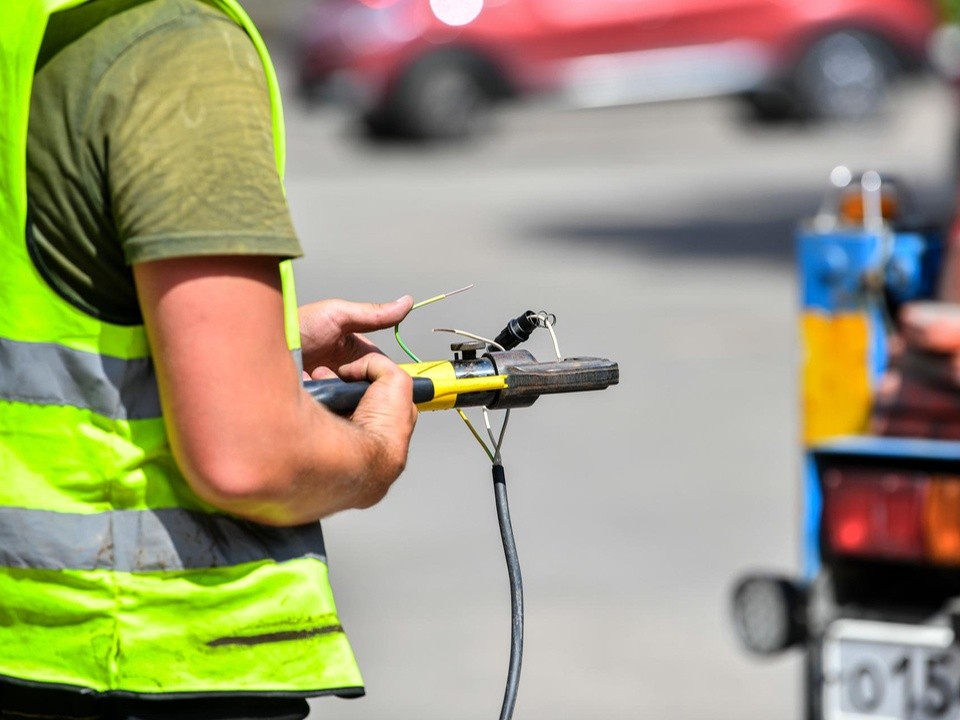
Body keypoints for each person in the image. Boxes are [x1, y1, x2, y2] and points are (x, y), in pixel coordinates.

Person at [0, 0, 417, 718]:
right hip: (140, 657)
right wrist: (373, 451)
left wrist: (246, 345)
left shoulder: (23, 30)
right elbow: (251, 461)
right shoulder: (173, 46)